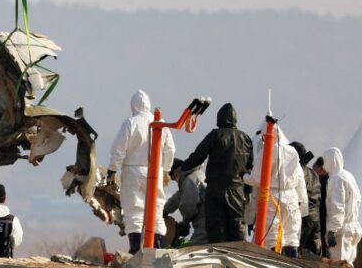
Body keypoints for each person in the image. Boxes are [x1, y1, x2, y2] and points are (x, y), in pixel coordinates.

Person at [107, 90, 175, 253]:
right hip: (156, 172)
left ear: (133, 105)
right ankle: (156, 249)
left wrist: (112, 170)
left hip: (133, 171)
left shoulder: (130, 123)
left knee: (134, 210)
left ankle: (135, 250)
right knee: (156, 210)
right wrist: (166, 169)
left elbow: (118, 149)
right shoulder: (161, 123)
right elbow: (170, 149)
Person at [179, 103, 253, 243]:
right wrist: (247, 192)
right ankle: (236, 260)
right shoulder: (246, 139)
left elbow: (197, 157)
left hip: (215, 190)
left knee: (216, 230)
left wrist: (183, 167)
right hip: (237, 191)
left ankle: (220, 262)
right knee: (236, 229)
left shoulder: (215, 136)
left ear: (219, 119)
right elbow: (250, 170)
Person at [243, 123, 307, 258]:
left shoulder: (267, 151)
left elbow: (256, 179)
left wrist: (243, 176)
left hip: (272, 197)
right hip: (291, 197)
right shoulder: (292, 152)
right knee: (291, 235)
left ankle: (275, 265)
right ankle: (292, 265)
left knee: (272, 234)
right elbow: (300, 179)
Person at [321, 147, 362, 268]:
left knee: (339, 267)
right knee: (348, 265)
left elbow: (337, 207)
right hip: (353, 227)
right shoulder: (348, 176)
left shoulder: (336, 180)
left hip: (342, 230)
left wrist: (332, 231)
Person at [163, 158, 207, 245]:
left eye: (172, 179)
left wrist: (184, 223)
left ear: (175, 173)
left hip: (205, 224)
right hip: (206, 222)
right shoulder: (193, 177)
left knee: (196, 250)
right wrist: (165, 210)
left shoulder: (190, 179)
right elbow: (179, 196)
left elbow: (189, 205)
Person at [290, 141, 322, 256]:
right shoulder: (313, 173)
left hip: (302, 220)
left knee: (296, 258)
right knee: (314, 261)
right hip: (315, 221)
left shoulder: (296, 171)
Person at [313, 157, 330, 258]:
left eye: (315, 168)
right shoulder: (324, 181)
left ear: (321, 168)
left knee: (325, 247)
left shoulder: (326, 183)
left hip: (325, 219)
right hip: (323, 219)